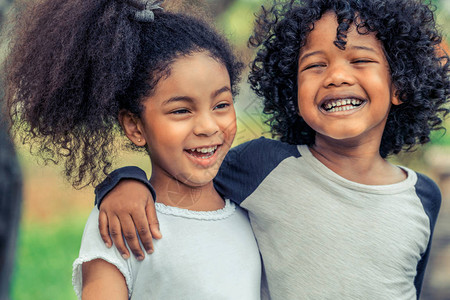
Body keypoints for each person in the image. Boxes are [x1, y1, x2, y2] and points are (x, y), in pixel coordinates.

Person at [94, 0, 450, 298]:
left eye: (359, 60)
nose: (336, 76)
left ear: (400, 85)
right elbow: (187, 172)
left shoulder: (423, 196)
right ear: (293, 91)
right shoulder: (262, 166)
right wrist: (125, 180)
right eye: (315, 65)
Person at [4, 0, 265, 299]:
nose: (207, 126)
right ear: (135, 127)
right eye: (181, 110)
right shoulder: (123, 224)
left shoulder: (253, 207)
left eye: (221, 105)